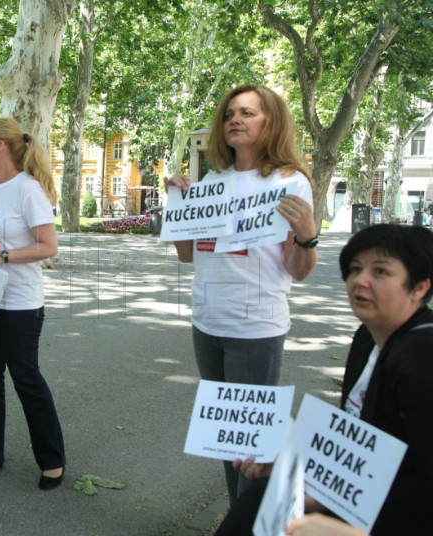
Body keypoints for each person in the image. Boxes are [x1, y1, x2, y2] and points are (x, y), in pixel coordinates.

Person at [216, 224, 433, 536]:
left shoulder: (423, 356)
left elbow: (427, 489)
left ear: (419, 287)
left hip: (394, 517)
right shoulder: (368, 337)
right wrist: (293, 467)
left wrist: (327, 498)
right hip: (353, 499)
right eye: (355, 269)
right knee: (255, 503)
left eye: (381, 272)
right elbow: (354, 445)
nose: (361, 281)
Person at [167, 85, 318, 505]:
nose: (235, 119)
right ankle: (238, 518)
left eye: (248, 113)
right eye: (230, 113)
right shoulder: (212, 181)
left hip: (255, 328)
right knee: (227, 441)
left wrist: (307, 238)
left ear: (270, 121)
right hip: (207, 323)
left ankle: (254, 522)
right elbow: (188, 256)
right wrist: (178, 208)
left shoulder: (290, 183)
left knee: (255, 446)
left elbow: (299, 271)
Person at [0, 117, 66, 490]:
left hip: (20, 303)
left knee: (26, 378)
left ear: (0, 146)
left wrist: (2, 257)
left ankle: (52, 459)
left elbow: (48, 247)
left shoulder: (28, 190)